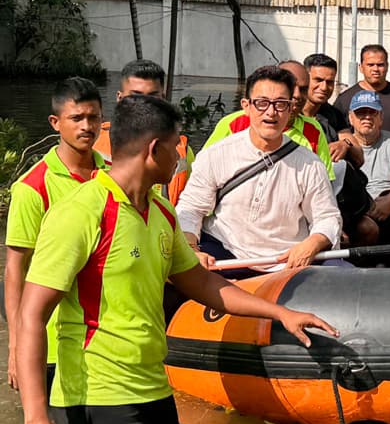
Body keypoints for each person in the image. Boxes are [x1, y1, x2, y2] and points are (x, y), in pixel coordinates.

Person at [16, 94, 336, 424]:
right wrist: (36, 420)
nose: (180, 159)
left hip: (152, 386)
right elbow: (31, 315)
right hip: (97, 396)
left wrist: (280, 313)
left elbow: (203, 283)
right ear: (154, 149)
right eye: (176, 147)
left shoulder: (162, 211)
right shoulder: (81, 214)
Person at [176, 65, 343, 276]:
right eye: (262, 103)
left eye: (280, 104)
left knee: (345, 277)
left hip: (288, 263)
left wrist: (312, 244)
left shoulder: (310, 164)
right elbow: (191, 209)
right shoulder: (216, 154)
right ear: (246, 106)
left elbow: (327, 217)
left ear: (292, 107)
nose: (271, 113)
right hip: (225, 254)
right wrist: (191, 249)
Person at [5, 77, 106, 392]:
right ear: (55, 123)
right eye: (76, 118)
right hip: (50, 341)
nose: (86, 126)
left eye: (93, 117)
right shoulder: (32, 187)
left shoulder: (112, 177)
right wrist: (16, 346)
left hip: (103, 339)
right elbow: (14, 270)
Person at [206, 60, 336, 180]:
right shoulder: (234, 123)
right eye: (291, 87)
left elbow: (323, 184)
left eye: (303, 89)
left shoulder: (313, 130)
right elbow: (205, 170)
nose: (296, 95)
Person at [93, 60, 194, 204]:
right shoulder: (93, 142)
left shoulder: (180, 150)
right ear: (119, 98)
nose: (145, 104)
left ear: (163, 100)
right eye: (135, 97)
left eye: (153, 97)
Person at [348, 90, 390, 246]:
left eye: (372, 112)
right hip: (359, 209)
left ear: (381, 117)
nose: (367, 117)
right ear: (351, 119)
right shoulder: (345, 145)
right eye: (361, 113)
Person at [334, 44, 390, 152]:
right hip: (357, 165)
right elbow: (336, 140)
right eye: (370, 65)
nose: (375, 69)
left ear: (387, 66)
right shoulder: (345, 100)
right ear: (361, 67)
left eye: (380, 65)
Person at [302, 53, 364, 167]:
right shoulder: (289, 112)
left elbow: (359, 157)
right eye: (318, 80)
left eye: (329, 82)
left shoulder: (333, 114)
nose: (324, 87)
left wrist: (345, 144)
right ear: (304, 79)